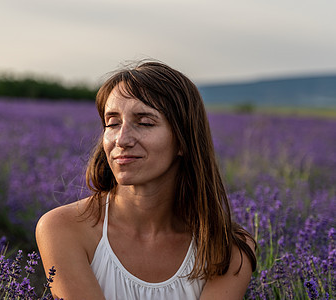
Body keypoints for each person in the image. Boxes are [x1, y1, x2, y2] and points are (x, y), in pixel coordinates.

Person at [36, 60, 257, 300]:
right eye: (112, 123)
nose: (121, 140)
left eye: (145, 122)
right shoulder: (64, 229)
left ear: (183, 141)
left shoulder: (228, 248)